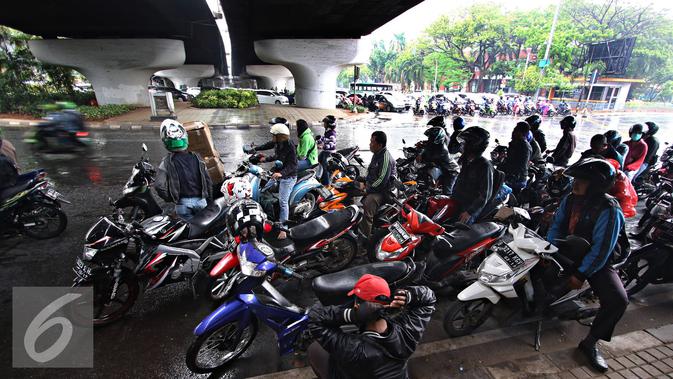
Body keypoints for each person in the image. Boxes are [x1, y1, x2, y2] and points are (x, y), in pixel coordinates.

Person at [546, 158, 629, 373]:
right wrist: (550, 249)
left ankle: (590, 342)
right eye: (577, 179)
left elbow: (601, 249)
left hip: (595, 261)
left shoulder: (609, 209)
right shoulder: (570, 199)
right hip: (568, 249)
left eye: (583, 180)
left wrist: (581, 274)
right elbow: (557, 226)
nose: (576, 183)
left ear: (597, 185)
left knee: (618, 300)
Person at [307, 274, 436, 379]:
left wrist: (350, 315)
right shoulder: (407, 333)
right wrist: (409, 296)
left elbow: (315, 318)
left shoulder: (353, 349)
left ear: (357, 305)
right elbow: (428, 299)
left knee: (315, 349)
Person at [155, 120, 213, 220]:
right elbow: (208, 181)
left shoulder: (166, 162)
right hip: (201, 202)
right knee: (203, 230)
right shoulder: (198, 158)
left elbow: (159, 186)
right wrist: (210, 201)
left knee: (188, 232)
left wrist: (171, 198)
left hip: (182, 205)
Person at [258, 123, 298, 237]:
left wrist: (281, 173)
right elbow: (269, 148)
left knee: (283, 202)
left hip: (288, 177)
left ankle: (283, 229)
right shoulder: (278, 144)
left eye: (274, 135)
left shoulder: (290, 147)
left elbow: (293, 166)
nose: (272, 138)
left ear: (280, 136)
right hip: (277, 172)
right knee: (262, 190)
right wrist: (256, 151)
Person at [451, 126, 494, 224]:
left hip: (468, 210)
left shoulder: (484, 166)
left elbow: (485, 195)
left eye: (464, 143)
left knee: (458, 235)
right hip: (457, 203)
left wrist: (469, 212)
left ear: (473, 145)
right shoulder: (467, 161)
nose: (461, 145)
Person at [358, 131, 396, 238]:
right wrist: (362, 181)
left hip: (383, 192)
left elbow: (382, 181)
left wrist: (367, 189)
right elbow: (371, 174)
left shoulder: (385, 158)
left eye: (372, 142)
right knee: (348, 186)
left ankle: (366, 239)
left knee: (368, 203)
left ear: (379, 145)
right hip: (372, 186)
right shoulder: (376, 154)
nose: (369, 144)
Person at [418, 125, 459, 194]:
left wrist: (421, 156)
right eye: (429, 137)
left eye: (431, 137)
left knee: (447, 192)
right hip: (441, 167)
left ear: (437, 138)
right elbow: (426, 148)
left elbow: (428, 158)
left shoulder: (442, 150)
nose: (429, 139)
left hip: (451, 171)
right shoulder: (434, 144)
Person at [500, 122, 531, 195]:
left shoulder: (523, 146)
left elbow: (520, 166)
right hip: (511, 174)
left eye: (516, 130)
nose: (513, 132)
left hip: (517, 179)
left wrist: (508, 177)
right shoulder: (515, 143)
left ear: (521, 133)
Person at [317, 115, 337, 185]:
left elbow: (331, 144)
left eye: (325, 123)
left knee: (325, 168)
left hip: (329, 153)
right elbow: (324, 138)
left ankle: (326, 185)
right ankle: (320, 178)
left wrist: (323, 147)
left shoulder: (332, 133)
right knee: (318, 161)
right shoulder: (328, 132)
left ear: (329, 124)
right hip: (325, 152)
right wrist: (318, 140)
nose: (324, 124)